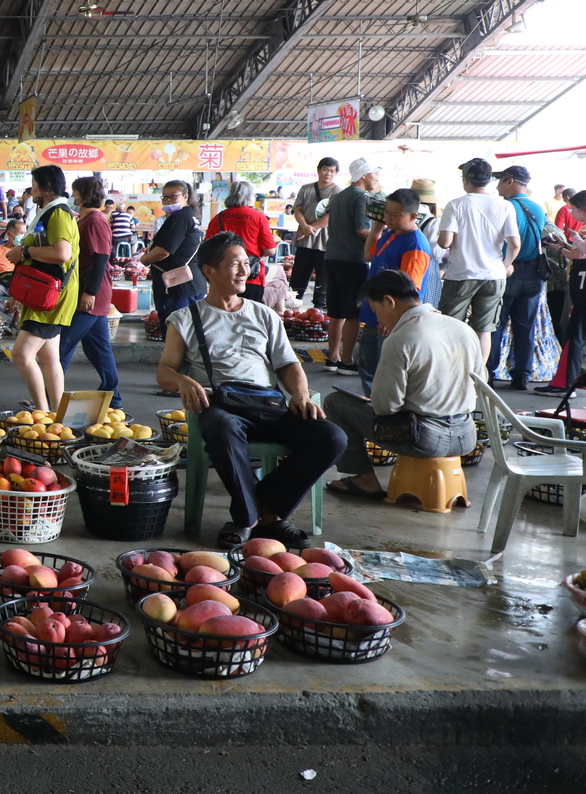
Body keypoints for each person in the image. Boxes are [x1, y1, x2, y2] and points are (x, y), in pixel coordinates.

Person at [155, 232, 345, 547]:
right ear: (209, 271)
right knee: (220, 426)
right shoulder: (186, 318)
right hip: (223, 408)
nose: (245, 271)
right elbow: (165, 370)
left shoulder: (264, 315)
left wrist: (300, 393)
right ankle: (249, 518)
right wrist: (183, 381)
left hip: (269, 405)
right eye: (235, 264)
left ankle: (265, 510)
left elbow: (288, 364)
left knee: (332, 437)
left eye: (248, 263)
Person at [324, 270, 480, 499]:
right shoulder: (462, 328)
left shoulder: (402, 338)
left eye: (376, 311)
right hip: (466, 435)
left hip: (424, 439)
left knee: (335, 402)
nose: (378, 320)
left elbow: (385, 406)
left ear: (389, 301)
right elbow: (479, 382)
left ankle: (364, 479)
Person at [8, 166, 80, 412]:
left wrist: (24, 251)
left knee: (22, 354)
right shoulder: (50, 212)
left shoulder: (58, 214)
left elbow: (62, 253)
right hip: (45, 293)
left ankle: (42, 412)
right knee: (49, 358)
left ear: (46, 188)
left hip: (51, 296)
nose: (32, 190)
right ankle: (57, 415)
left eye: (35, 185)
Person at [437, 157, 520, 363]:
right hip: (493, 276)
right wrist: (505, 266)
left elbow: (445, 242)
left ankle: (453, 371)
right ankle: (478, 374)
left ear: (465, 179)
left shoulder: (455, 205)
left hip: (460, 275)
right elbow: (514, 244)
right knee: (484, 329)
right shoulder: (505, 206)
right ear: (489, 180)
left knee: (451, 327)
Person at [354, 188, 436, 390]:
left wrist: (390, 319)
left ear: (413, 216)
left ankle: (382, 407)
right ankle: (371, 404)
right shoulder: (391, 234)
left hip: (391, 320)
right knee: (368, 369)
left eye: (394, 215)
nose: (388, 218)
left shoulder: (415, 244)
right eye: (386, 212)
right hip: (376, 314)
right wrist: (377, 226)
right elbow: (369, 255)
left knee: (386, 374)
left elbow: (408, 289)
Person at [59, 176, 121, 407]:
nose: (73, 196)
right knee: (98, 349)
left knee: (62, 346)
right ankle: (114, 398)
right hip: (87, 290)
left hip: (91, 292)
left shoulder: (95, 220)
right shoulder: (84, 218)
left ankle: (48, 399)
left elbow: (101, 258)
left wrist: (90, 292)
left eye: (76, 192)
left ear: (84, 195)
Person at [488, 165, 550, 389]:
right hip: (533, 274)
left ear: (510, 181)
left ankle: (489, 372)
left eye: (500, 181)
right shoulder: (538, 209)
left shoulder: (504, 207)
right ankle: (522, 375)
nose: (497, 186)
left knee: (496, 323)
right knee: (525, 326)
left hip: (507, 270)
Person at [321, 158, 381, 374]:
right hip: (353, 260)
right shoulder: (362, 197)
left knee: (336, 312)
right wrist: (381, 239)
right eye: (375, 173)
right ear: (364, 175)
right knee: (353, 313)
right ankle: (346, 361)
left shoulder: (339, 195)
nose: (377, 178)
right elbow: (362, 230)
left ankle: (333, 357)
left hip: (332, 258)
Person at [137, 180, 205, 324]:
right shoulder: (189, 215)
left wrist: (143, 260)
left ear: (185, 196)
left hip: (178, 288)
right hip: (188, 285)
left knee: (176, 331)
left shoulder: (180, 218)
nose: (168, 200)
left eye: (173, 196)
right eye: (165, 197)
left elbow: (164, 251)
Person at [541, 190, 586, 395]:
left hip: (582, 294)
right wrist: (565, 245)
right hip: (580, 291)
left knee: (574, 336)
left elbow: (578, 254)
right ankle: (570, 381)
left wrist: (562, 248)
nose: (572, 213)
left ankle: (565, 383)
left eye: (574, 209)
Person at [207, 180, 276, 302]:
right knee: (250, 311)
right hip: (251, 276)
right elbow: (270, 250)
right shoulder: (258, 217)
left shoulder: (218, 217)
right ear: (249, 196)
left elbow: (208, 248)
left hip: (224, 275)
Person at [290, 157, 340, 310]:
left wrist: (310, 228)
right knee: (299, 273)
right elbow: (297, 209)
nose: (328, 173)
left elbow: (331, 216)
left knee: (323, 276)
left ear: (336, 173)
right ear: (319, 170)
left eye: (331, 171)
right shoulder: (306, 189)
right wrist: (305, 226)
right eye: (325, 169)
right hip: (304, 241)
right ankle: (293, 303)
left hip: (325, 242)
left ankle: (319, 306)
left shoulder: (337, 191)